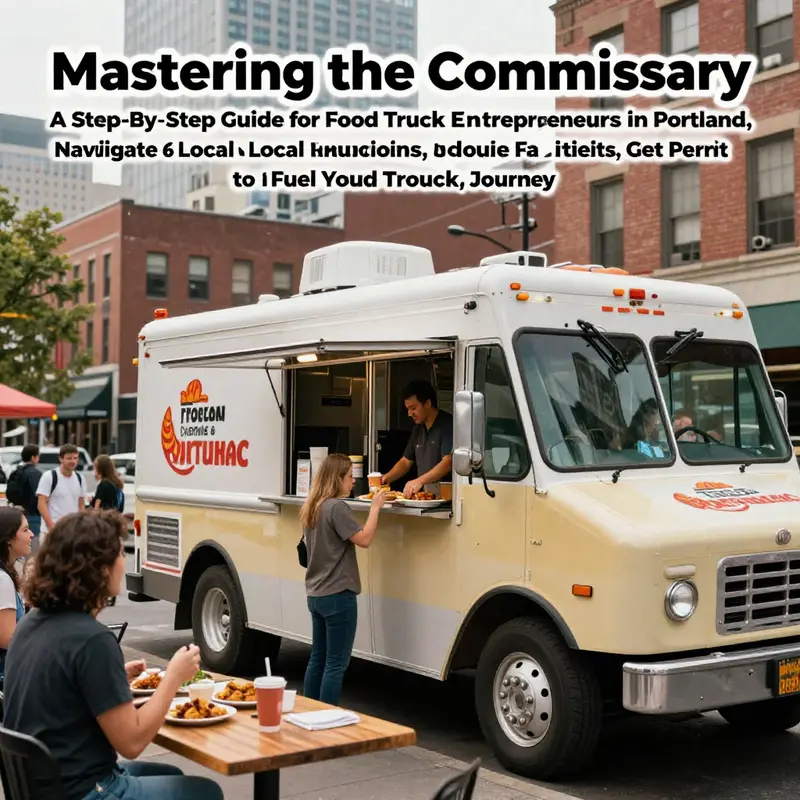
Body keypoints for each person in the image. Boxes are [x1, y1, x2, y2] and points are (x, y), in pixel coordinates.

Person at [2, 511, 223, 800]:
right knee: (205, 792)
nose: (123, 561)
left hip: (43, 786)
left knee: (172, 776)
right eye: (119, 553)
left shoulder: (31, 623)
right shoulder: (92, 639)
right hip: (85, 790)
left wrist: (114, 677)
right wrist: (173, 677)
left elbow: (65, 693)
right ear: (99, 568)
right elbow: (131, 743)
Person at [299, 453, 385, 705]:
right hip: (338, 594)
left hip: (315, 594)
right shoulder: (337, 507)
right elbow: (365, 539)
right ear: (336, 479)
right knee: (336, 663)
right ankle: (325, 717)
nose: (352, 482)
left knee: (318, 657)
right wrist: (376, 507)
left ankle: (307, 711)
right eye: (349, 477)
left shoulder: (313, 506)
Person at [380, 380, 454, 498]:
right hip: (424, 497)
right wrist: (386, 478)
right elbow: (405, 461)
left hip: (446, 498)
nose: (409, 413)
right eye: (408, 409)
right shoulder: (418, 429)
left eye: (413, 408)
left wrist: (419, 481)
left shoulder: (448, 424)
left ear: (428, 403)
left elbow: (448, 462)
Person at [0, 508, 33, 685]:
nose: (32, 534)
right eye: (25, 529)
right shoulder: (2, 580)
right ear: (8, 540)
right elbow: (7, 639)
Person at [36, 443, 88, 531]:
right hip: (52, 531)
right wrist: (51, 526)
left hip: (73, 531)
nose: (73, 461)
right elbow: (41, 504)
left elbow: (81, 504)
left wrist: (81, 525)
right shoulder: (49, 476)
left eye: (75, 458)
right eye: (69, 458)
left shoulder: (80, 478)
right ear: (60, 459)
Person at [5, 444, 43, 547]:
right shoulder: (35, 473)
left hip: (17, 513)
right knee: (33, 546)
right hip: (32, 515)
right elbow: (37, 494)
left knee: (19, 544)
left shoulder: (16, 471)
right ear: (33, 457)